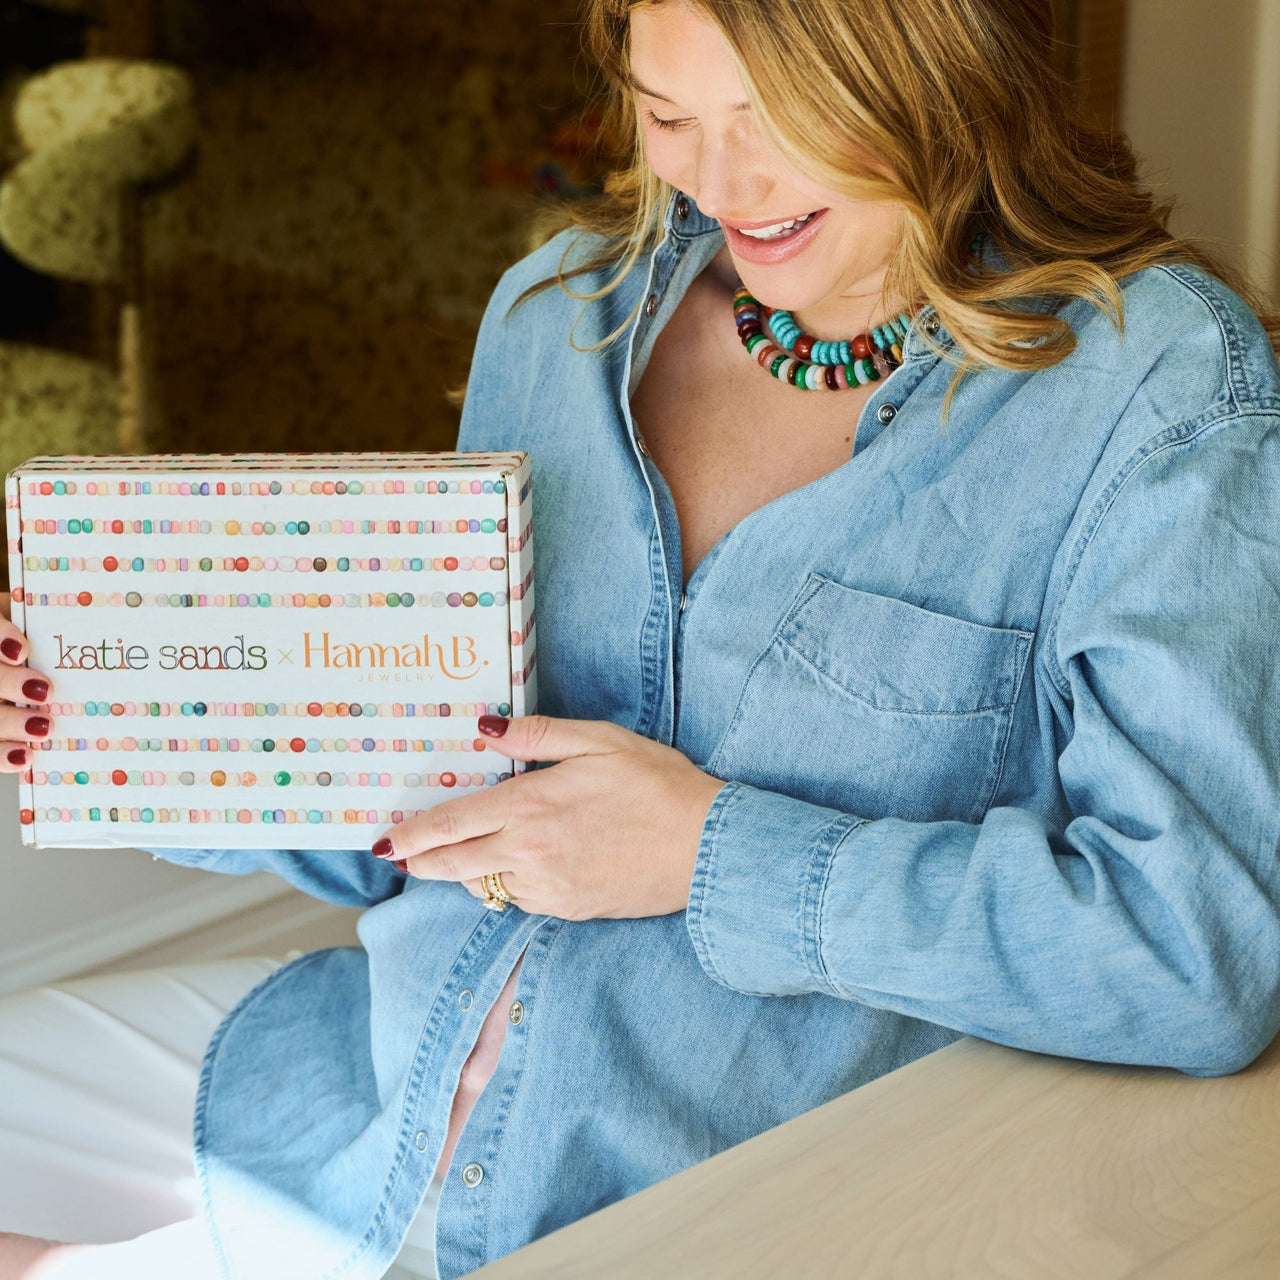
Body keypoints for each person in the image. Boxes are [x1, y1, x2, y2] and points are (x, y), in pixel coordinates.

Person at [4, 0, 1280, 1276]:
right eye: (671, 116)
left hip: (695, 1196)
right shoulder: (558, 311)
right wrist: (130, 724)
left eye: (775, 121)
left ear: (930, 74)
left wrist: (707, 851)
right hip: (369, 1083)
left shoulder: (1148, 388)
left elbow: (1191, 950)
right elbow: (437, 808)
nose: (718, 179)